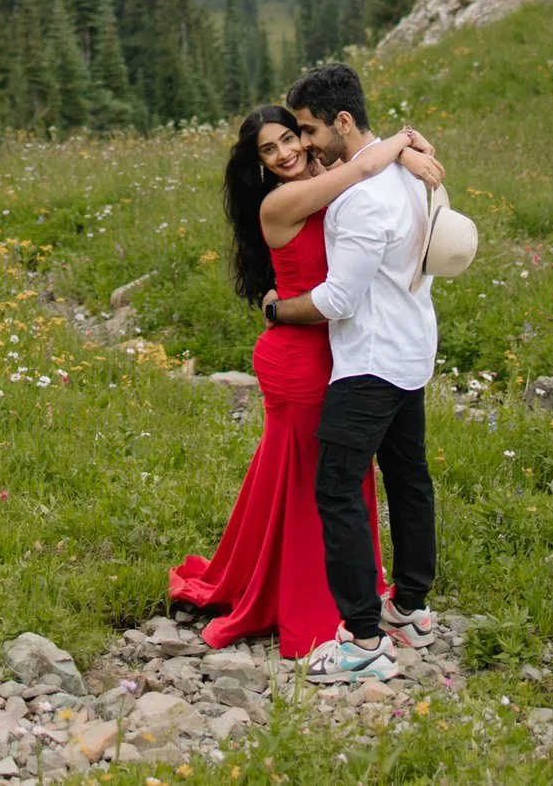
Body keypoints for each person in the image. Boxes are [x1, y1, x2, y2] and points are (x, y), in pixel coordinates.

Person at [168, 103, 444, 656]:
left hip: (338, 349)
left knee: (327, 476)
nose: (285, 152)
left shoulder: (321, 178)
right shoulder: (282, 201)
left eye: (290, 138)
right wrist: (401, 148)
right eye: (269, 150)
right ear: (261, 165)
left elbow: (363, 170)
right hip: (301, 356)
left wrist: (409, 150)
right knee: (318, 480)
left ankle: (340, 592)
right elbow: (363, 168)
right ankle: (315, 602)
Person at [265, 61, 440, 684]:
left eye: (309, 130)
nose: (303, 143)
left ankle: (363, 638)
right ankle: (411, 610)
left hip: (369, 364)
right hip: (412, 349)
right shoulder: (398, 172)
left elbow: (339, 299)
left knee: (338, 492)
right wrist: (408, 144)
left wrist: (277, 310)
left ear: (343, 122)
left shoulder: (362, 199)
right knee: (408, 478)